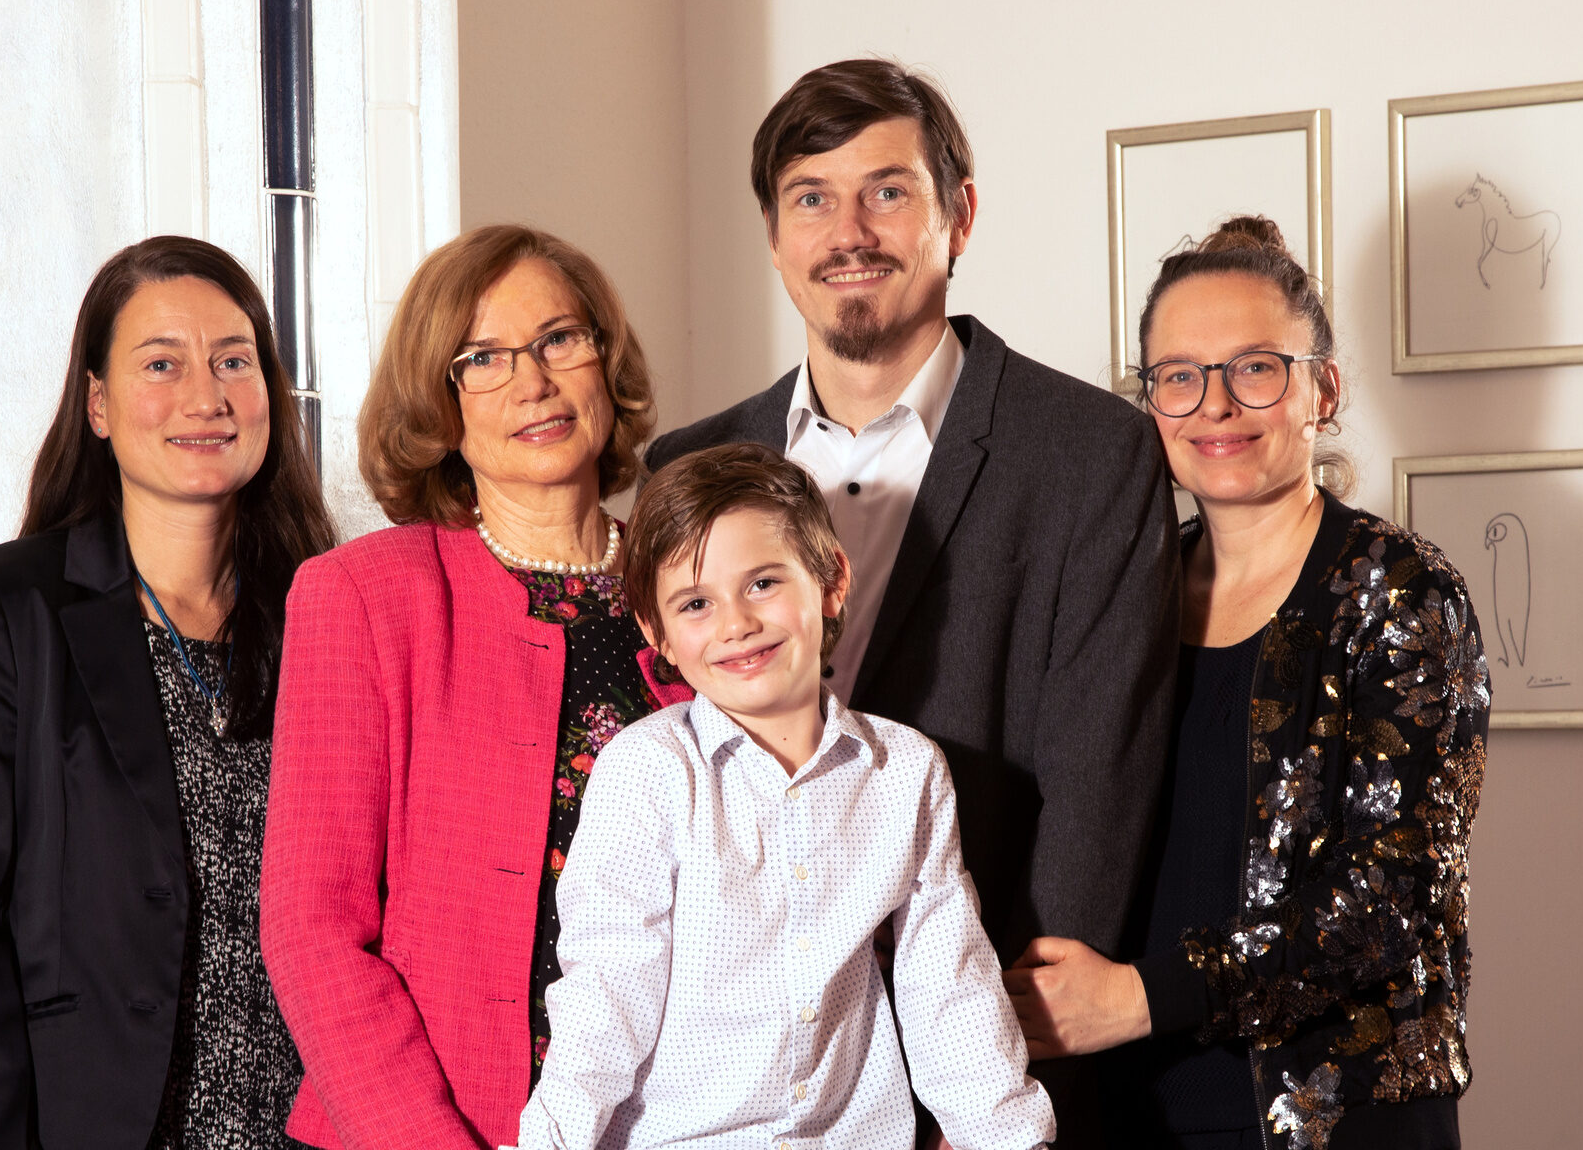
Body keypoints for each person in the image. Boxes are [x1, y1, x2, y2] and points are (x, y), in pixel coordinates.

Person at [645, 59, 1178, 1146]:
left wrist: (984, 1065)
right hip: (736, 1087)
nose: (850, 229)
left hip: (970, 1068)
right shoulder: (689, 462)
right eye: (812, 198)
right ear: (773, 232)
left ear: (959, 214)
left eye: (887, 191)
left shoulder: (1090, 450)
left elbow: (1097, 783)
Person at [1002, 217, 1488, 1150]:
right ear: (1148, 405)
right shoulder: (1122, 595)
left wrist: (1142, 997)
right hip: (1126, 1107)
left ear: (1324, 390)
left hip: (1335, 1116)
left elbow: (1395, 897)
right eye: (1180, 376)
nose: (1215, 407)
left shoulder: (1402, 591)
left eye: (1256, 368)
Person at [0, 236, 337, 1149]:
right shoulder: (1, 612)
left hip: (311, 1123)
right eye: (162, 364)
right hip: (94, 1121)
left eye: (234, 362)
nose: (205, 397)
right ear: (97, 404)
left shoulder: (330, 614)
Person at [260, 224, 689, 1150]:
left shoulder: (698, 590)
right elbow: (313, 931)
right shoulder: (362, 597)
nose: (531, 381)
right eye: (481, 359)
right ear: (439, 401)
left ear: (604, 362)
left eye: (558, 340)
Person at [513, 442, 1053, 1150]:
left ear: (830, 582)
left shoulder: (907, 772)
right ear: (658, 634)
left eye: (763, 583)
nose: (736, 623)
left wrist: (1012, 1139)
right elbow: (606, 997)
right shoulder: (647, 771)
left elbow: (949, 989)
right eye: (696, 603)